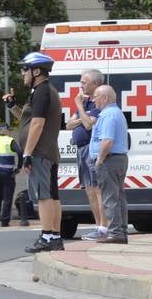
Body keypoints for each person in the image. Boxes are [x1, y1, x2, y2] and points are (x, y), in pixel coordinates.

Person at [19, 51, 65, 253]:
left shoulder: (41, 92)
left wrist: (27, 154)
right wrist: (13, 106)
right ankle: (55, 236)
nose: (23, 74)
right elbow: (29, 120)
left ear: (36, 71)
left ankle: (46, 236)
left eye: (25, 69)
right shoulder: (46, 91)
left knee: (43, 195)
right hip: (49, 151)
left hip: (40, 152)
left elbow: (37, 124)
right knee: (53, 195)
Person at [68, 69, 109, 241]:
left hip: (92, 149)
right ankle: (98, 226)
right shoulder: (86, 104)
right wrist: (82, 116)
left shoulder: (97, 103)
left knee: (98, 190)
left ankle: (104, 228)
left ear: (95, 84)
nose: (81, 85)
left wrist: (78, 107)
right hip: (81, 149)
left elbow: (88, 125)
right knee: (90, 190)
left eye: (84, 82)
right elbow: (69, 124)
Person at [90, 84, 130, 244]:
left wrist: (99, 159)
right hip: (118, 159)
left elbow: (107, 141)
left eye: (96, 97)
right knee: (119, 197)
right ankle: (121, 231)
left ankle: (115, 233)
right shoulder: (116, 113)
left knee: (110, 197)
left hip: (109, 160)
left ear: (105, 98)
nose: (93, 101)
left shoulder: (108, 115)